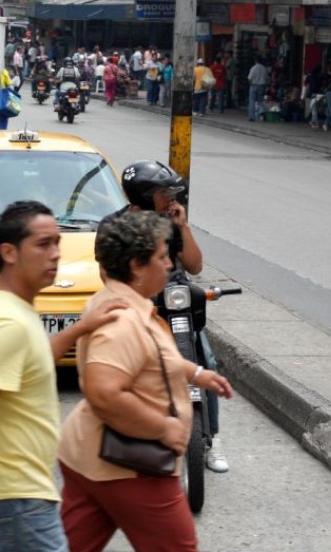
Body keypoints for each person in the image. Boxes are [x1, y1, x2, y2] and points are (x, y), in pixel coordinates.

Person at [0, 201, 126, 552]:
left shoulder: (5, 303)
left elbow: (29, 365)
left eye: (57, 243)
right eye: (43, 244)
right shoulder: (7, 323)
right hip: (12, 496)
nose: (55, 255)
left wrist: (82, 327)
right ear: (9, 252)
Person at [58, 211, 233, 552]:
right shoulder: (121, 321)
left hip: (90, 457)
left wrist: (196, 373)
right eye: (162, 256)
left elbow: (151, 357)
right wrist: (163, 428)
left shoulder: (122, 303)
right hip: (133, 465)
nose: (169, 265)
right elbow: (103, 391)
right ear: (137, 266)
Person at [111, 161, 227, 473]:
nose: (170, 198)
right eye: (164, 193)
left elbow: (194, 267)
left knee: (209, 364)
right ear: (146, 196)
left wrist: (183, 227)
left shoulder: (171, 221)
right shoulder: (116, 226)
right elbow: (107, 276)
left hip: (178, 303)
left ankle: (212, 437)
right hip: (140, 309)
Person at [248, 57, 269, 121]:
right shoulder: (265, 68)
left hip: (254, 85)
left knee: (252, 101)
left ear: (255, 61)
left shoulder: (253, 68)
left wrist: (250, 84)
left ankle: (252, 116)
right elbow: (267, 79)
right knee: (260, 100)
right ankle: (261, 111)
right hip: (262, 86)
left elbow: (249, 78)